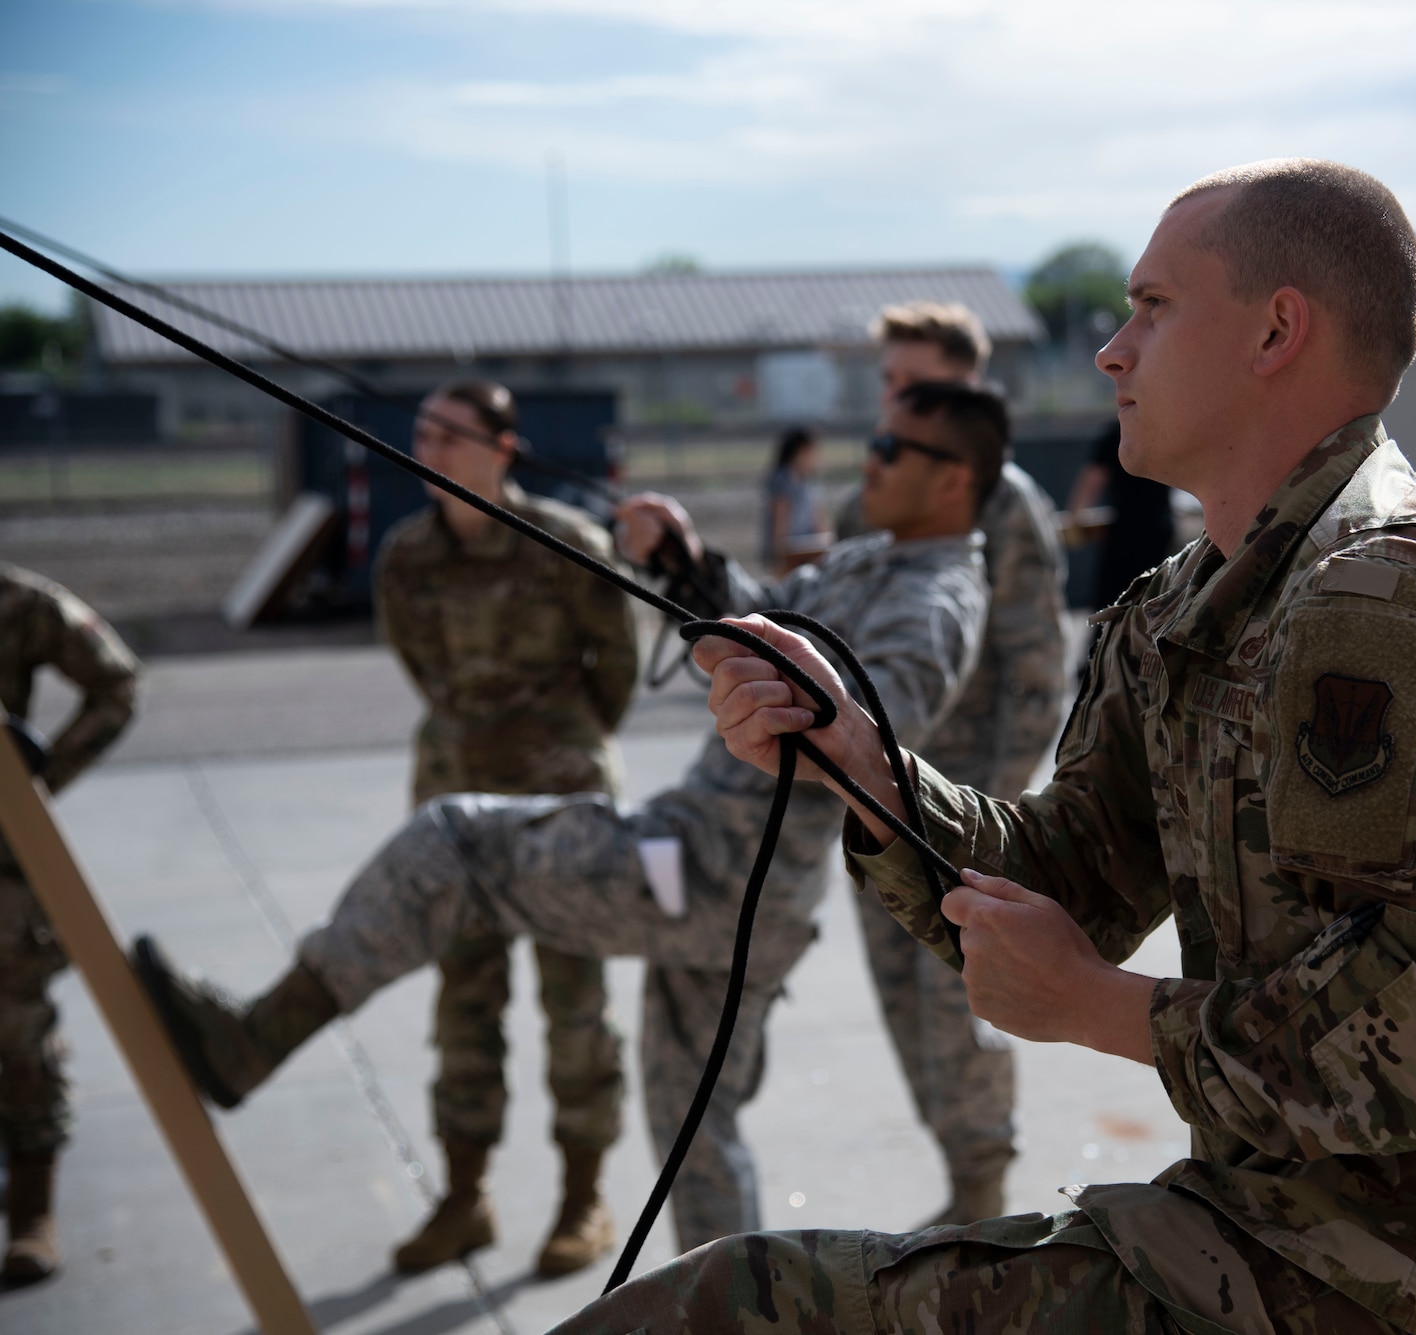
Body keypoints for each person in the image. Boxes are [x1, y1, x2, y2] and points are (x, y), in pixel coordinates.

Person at [561, 157, 1416, 1334]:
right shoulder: (1195, 603)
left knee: (726, 1310)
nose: (1111, 350)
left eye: (1153, 306)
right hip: (1265, 1234)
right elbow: (1068, 874)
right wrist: (862, 766)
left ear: (1276, 330)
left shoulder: (1377, 603)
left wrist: (1101, 1009)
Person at [132, 381, 1001, 1259]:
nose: (870, 462)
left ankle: (255, 1040)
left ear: (953, 479)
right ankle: (741, 1314)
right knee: (694, 1131)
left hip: (715, 867)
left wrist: (800, 692)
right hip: (741, 886)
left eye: (892, 450)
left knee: (455, 842)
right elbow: (769, 614)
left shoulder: (935, 596)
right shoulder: (873, 561)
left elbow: (893, 732)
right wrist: (691, 564)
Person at [372, 379, 639, 1277]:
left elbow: (618, 671)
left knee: (576, 1007)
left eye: (453, 435)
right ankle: (464, 1196)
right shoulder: (405, 558)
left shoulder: (569, 542)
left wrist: (557, 740)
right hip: (454, 807)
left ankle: (582, 1197)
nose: (432, 451)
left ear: (504, 447)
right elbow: (419, 668)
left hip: (560, 805)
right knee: (463, 1006)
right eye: (422, 435)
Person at [838, 300, 1069, 1224]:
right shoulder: (874, 490)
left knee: (959, 1007)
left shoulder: (1005, 502)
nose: (893, 402)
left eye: (916, 384)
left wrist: (997, 811)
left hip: (965, 807)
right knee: (904, 1004)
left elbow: (1037, 671)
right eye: (889, 384)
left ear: (969, 387)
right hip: (881, 803)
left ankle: (980, 1189)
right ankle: (959, 1175)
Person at [0, 563, 139, 1284]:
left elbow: (116, 684)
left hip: (1, 859)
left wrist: (34, 783)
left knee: (17, 1026)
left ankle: (31, 1210)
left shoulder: (18, 600)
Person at [1068, 418, 1178, 609]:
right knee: (1156, 597)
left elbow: (1093, 479)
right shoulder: (1163, 428)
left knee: (1113, 602)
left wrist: (1076, 517)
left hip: (1129, 530)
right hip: (1161, 525)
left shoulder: (1119, 432)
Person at [763, 426, 826, 573]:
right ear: (800, 451)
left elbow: (818, 515)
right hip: (790, 550)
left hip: (808, 548)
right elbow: (780, 518)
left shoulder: (809, 479)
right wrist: (779, 556)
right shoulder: (783, 478)